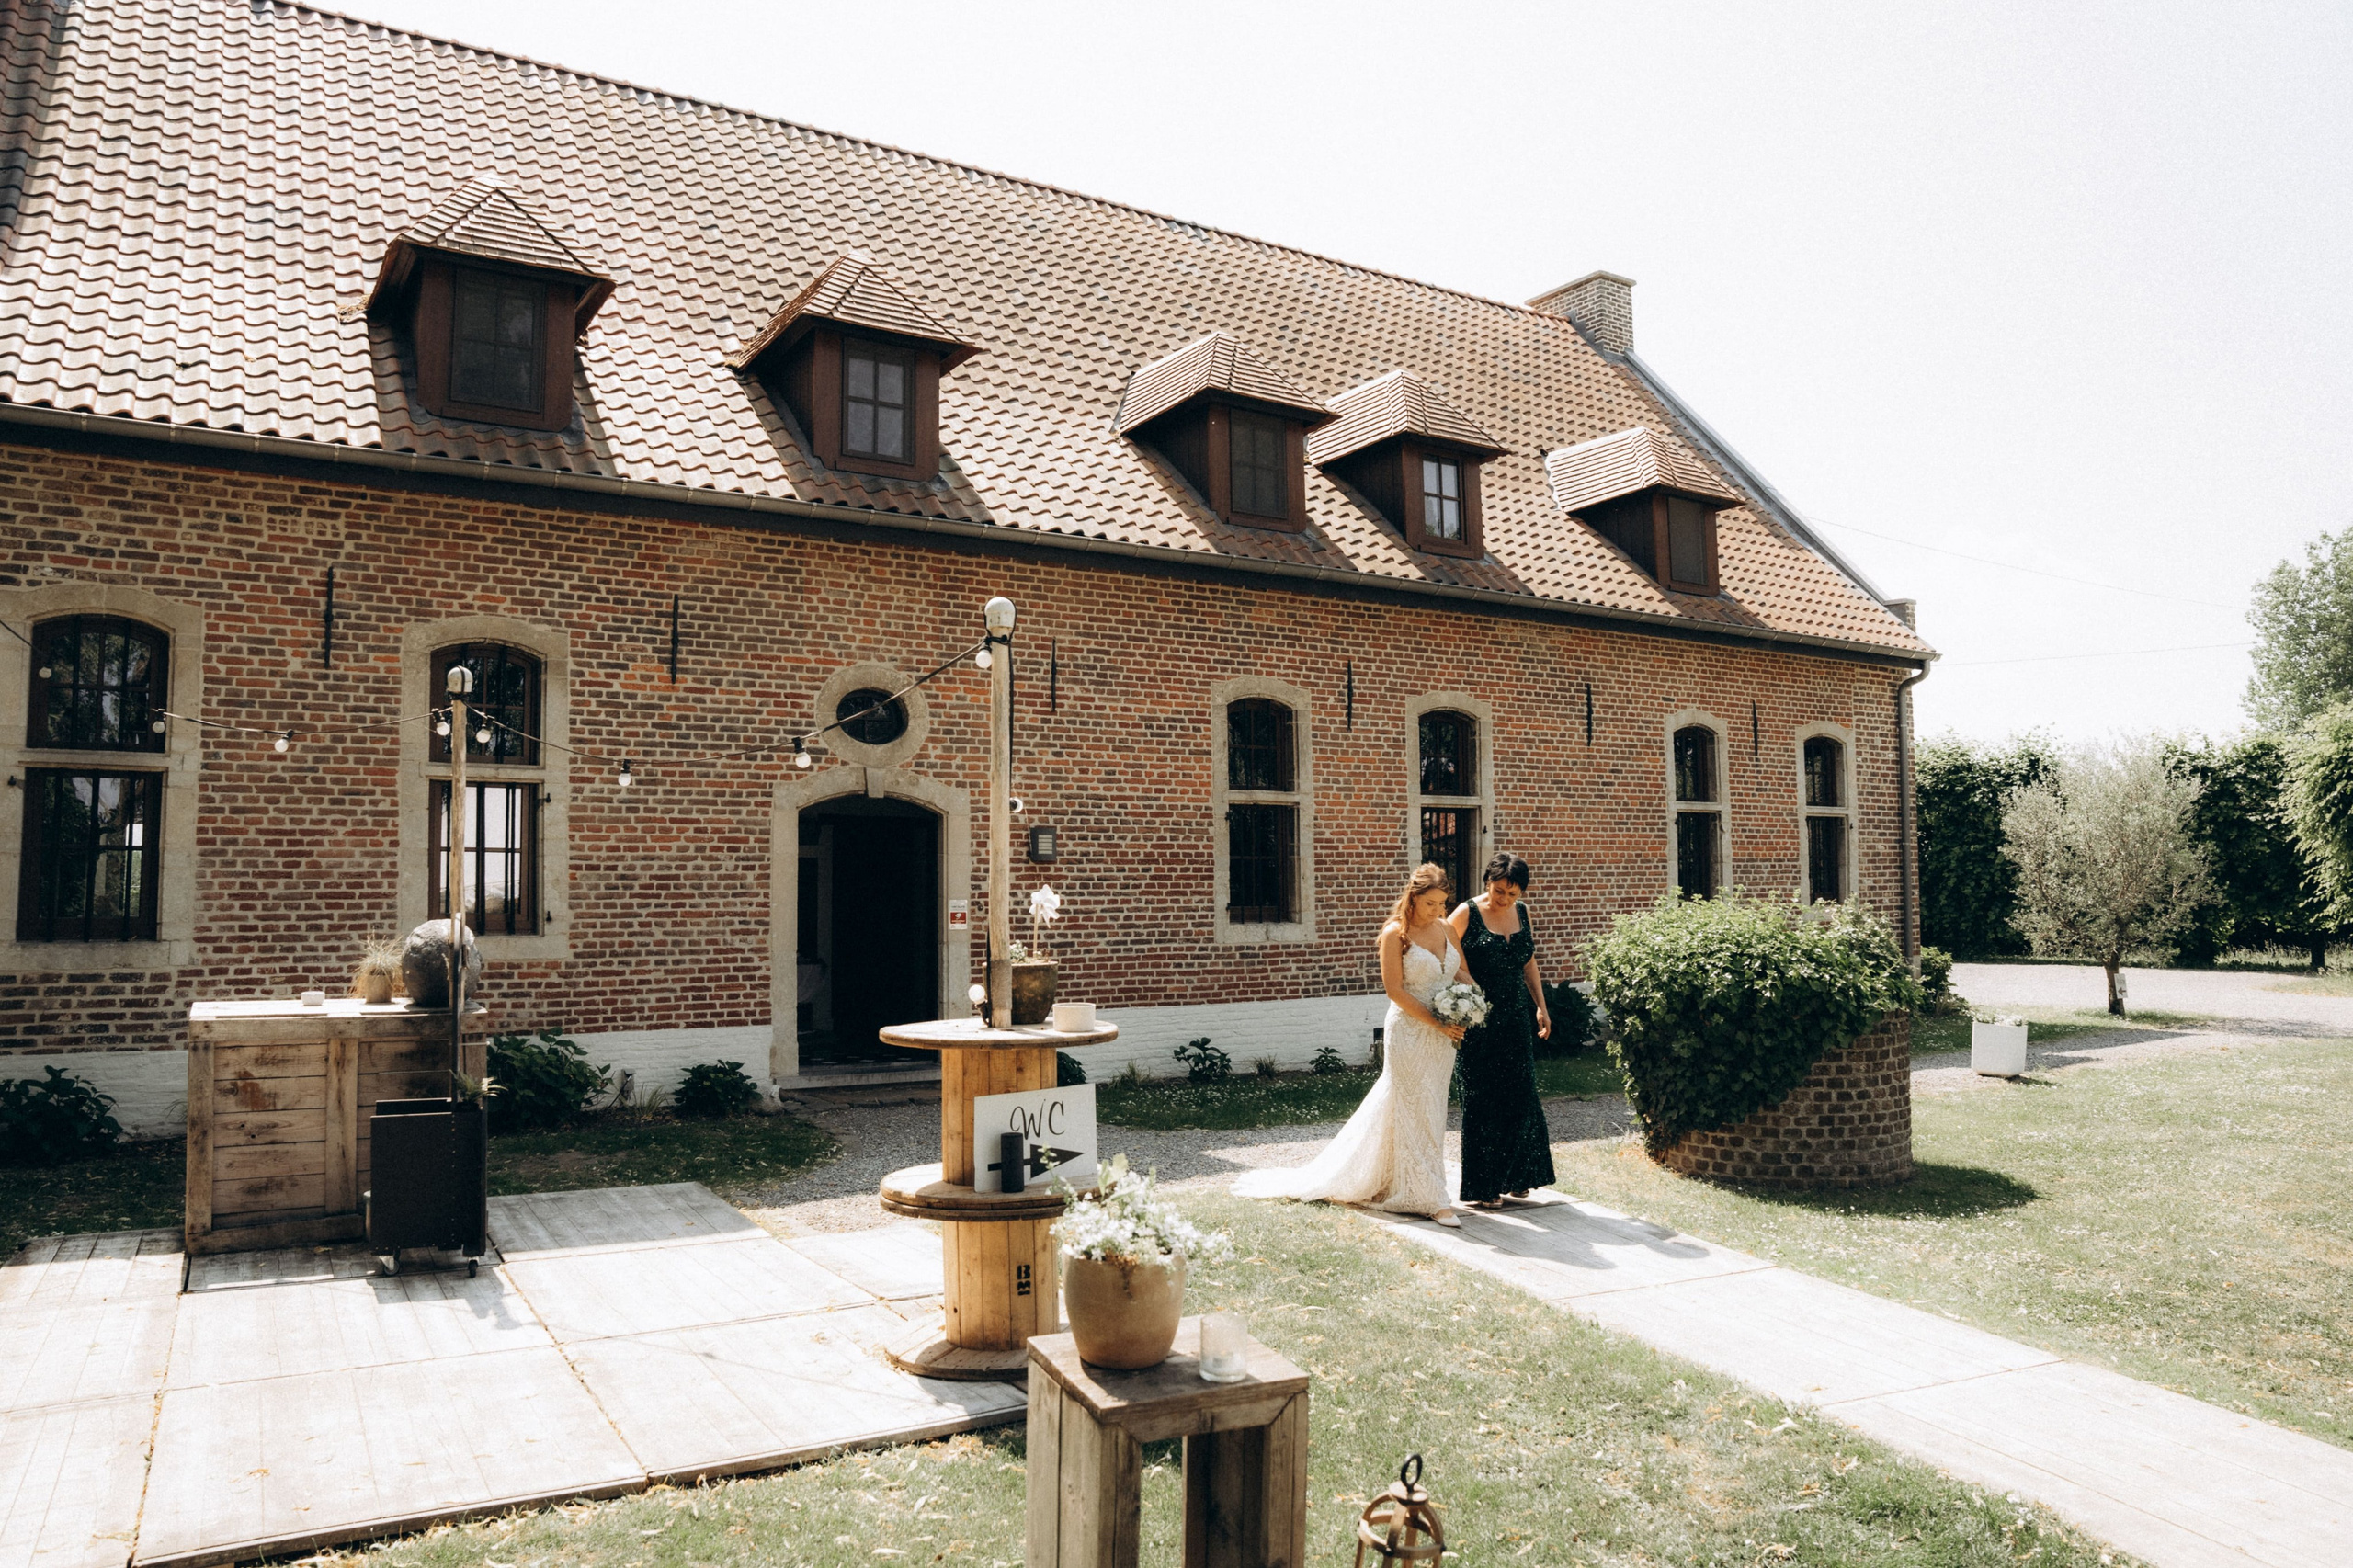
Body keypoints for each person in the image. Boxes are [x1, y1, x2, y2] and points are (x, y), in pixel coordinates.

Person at [1234, 863, 1466, 1225]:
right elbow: (1395, 991)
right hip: (1410, 1030)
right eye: (1431, 904)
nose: (1438, 911)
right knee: (1413, 1106)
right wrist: (1436, 1020)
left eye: (1442, 903)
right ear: (1413, 897)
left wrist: (1474, 1000)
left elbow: (1458, 971)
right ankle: (1430, 1197)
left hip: (1443, 1037)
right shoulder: (1396, 934)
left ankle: (1392, 1179)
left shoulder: (1448, 928)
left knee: (1431, 1107)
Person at [1449, 852, 1555, 1208]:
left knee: (1520, 1095)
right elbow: (1443, 953)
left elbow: (1528, 961)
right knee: (1482, 1102)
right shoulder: (1466, 913)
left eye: (1512, 894)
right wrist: (1465, 988)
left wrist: (1540, 1005)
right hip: (1478, 1022)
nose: (1504, 900)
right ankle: (1484, 1186)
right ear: (1487, 883)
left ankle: (1517, 1176)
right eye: (1498, 892)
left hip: (1514, 1019)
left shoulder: (1522, 913)